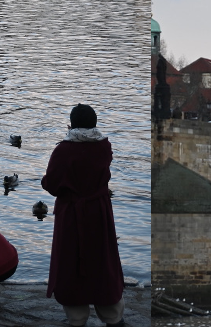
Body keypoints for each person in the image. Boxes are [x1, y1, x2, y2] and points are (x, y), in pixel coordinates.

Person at [42, 104, 124, 327]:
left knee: (72, 262)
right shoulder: (104, 147)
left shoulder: (64, 150)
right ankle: (113, 316)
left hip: (72, 214)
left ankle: (77, 319)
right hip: (99, 212)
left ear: (71, 124)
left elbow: (52, 184)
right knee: (102, 261)